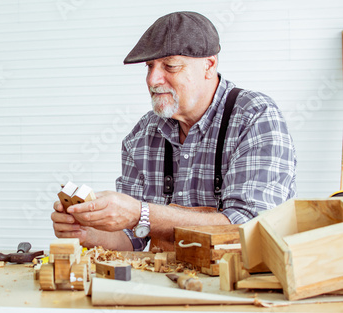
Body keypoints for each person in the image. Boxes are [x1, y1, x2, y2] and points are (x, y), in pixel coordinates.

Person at [51, 11, 297, 251]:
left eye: (170, 66)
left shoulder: (255, 117)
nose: (152, 80)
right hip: (168, 282)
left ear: (209, 66)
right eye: (150, 66)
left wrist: (141, 213)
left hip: (242, 285)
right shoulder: (141, 136)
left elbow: (252, 227)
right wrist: (88, 232)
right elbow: (133, 238)